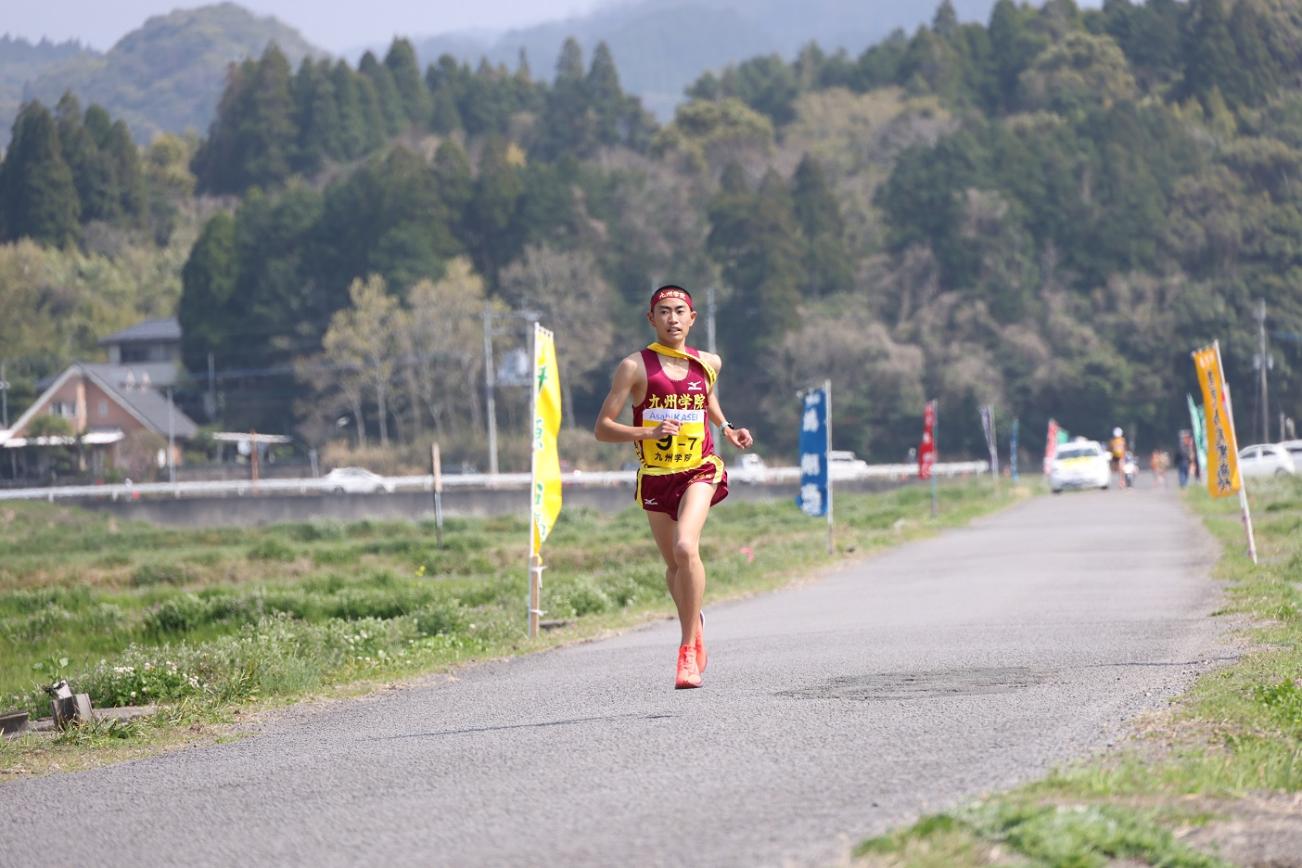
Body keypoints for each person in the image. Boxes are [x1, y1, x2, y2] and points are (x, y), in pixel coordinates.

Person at [594, 284, 754, 689]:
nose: (673, 319)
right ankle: (694, 621)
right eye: (664, 312)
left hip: (699, 467)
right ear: (651, 319)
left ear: (693, 318)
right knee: (673, 567)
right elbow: (603, 429)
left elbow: (706, 398)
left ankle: (686, 652)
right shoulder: (634, 367)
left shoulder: (709, 362)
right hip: (655, 476)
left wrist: (727, 428)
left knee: (686, 547)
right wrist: (645, 432)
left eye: (680, 311)